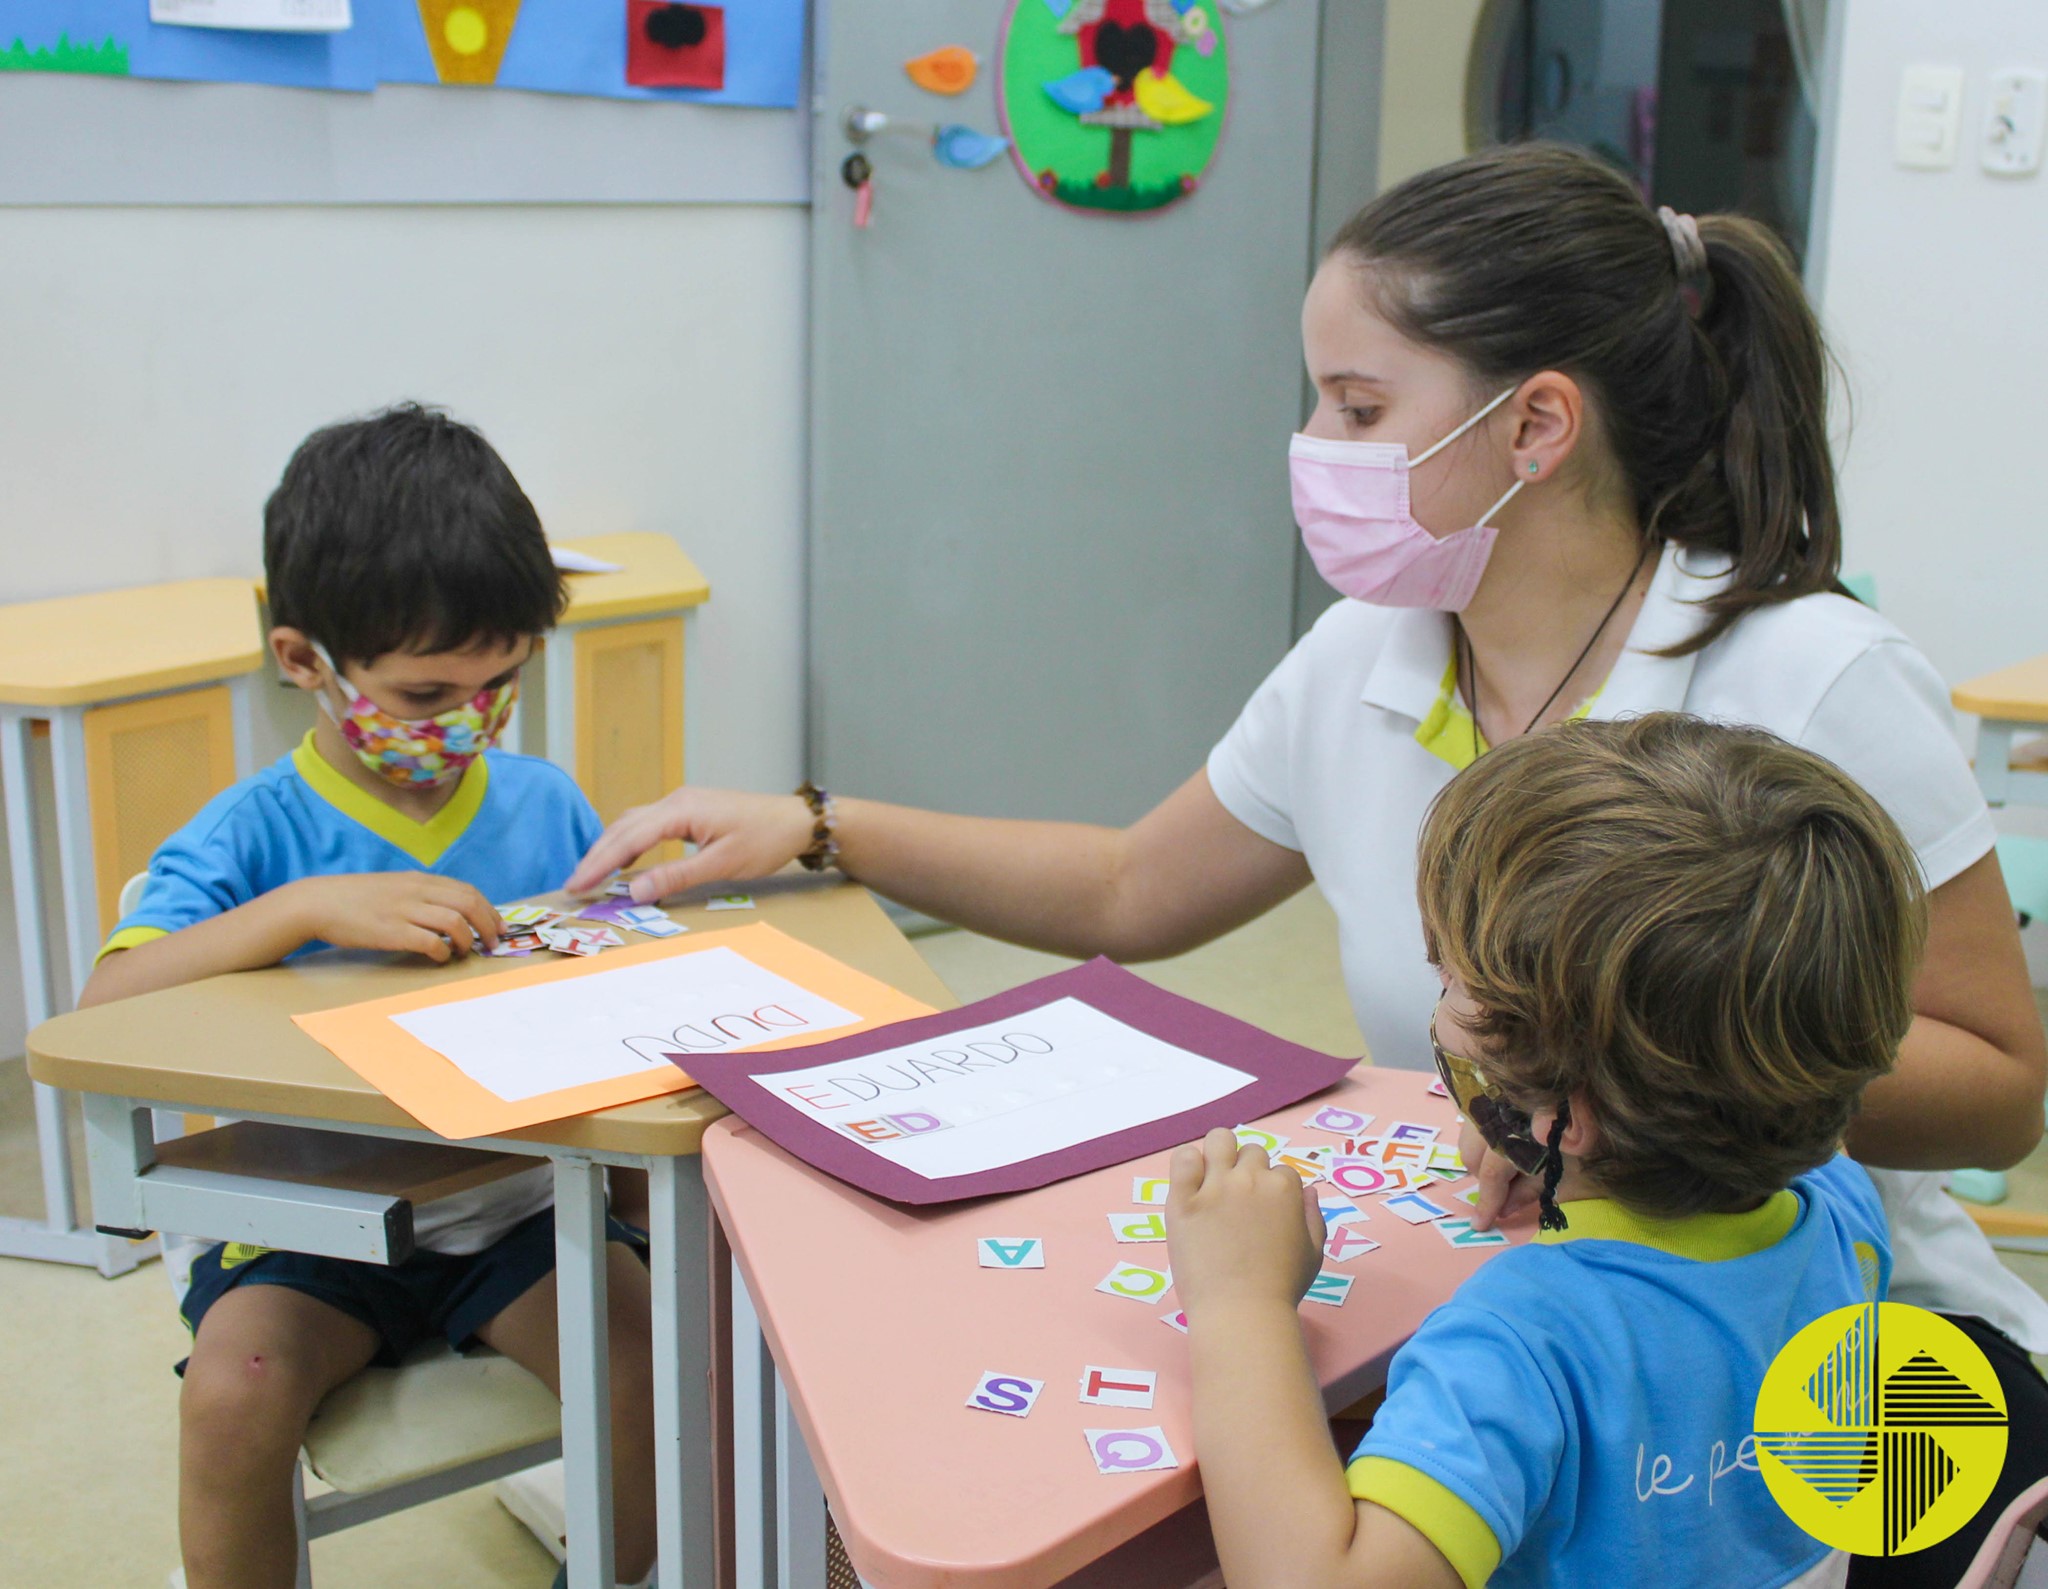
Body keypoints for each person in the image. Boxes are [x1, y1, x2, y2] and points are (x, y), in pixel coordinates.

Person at [568, 143, 2048, 1574]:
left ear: (1535, 427)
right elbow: (1132, 889)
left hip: (1846, 1351)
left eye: (1354, 405)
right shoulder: (1374, 652)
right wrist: (826, 825)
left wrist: (1631, 1076)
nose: (1313, 450)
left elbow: (2000, 1082)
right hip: (1521, 1294)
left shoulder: (1812, 674)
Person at [80, 405, 656, 1589]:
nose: (469, 723)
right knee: (232, 1403)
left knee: (654, 1362)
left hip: (518, 1202)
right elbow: (102, 1006)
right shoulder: (250, 833)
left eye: (500, 683)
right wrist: (300, 910)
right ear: (302, 661)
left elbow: (618, 978)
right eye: (427, 692)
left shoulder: (543, 802)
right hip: (307, 1224)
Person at [1167, 713, 1921, 1589]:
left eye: (1450, 976)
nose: (1439, 993)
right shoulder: (1846, 1205)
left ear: (1568, 1112)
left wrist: (1241, 1302)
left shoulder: (1524, 1341)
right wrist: (1544, 1131)